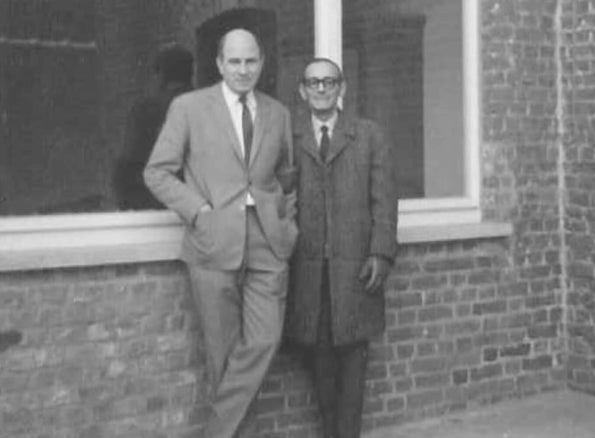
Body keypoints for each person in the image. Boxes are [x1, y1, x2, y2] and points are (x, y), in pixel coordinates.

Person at [143, 28, 297, 438]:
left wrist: (287, 225)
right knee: (223, 359)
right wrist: (198, 211)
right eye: (235, 62)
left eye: (251, 61)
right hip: (212, 243)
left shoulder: (279, 114)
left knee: (264, 341)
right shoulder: (189, 107)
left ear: (262, 63)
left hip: (268, 242)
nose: (243, 70)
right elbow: (157, 172)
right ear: (219, 64)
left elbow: (288, 180)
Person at [286, 58, 398, 438]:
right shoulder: (290, 137)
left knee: (352, 363)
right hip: (309, 273)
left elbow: (385, 201)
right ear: (302, 91)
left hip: (355, 271)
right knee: (320, 365)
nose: (321, 89)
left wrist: (381, 253)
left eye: (329, 82)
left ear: (342, 89)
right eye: (313, 83)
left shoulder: (368, 136)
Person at [115, 43, 193, 210]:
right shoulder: (212, 108)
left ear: (160, 75)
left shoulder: (146, 111)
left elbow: (126, 166)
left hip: (154, 210)